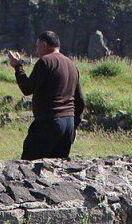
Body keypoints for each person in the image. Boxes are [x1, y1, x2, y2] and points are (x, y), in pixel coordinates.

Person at [8, 30, 84, 161]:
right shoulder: (72, 65)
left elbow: (27, 88)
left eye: (37, 46)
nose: (37, 51)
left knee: (29, 165)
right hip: (68, 124)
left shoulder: (45, 62)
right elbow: (80, 100)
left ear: (44, 44)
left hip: (49, 122)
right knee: (57, 168)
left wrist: (18, 67)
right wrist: (75, 125)